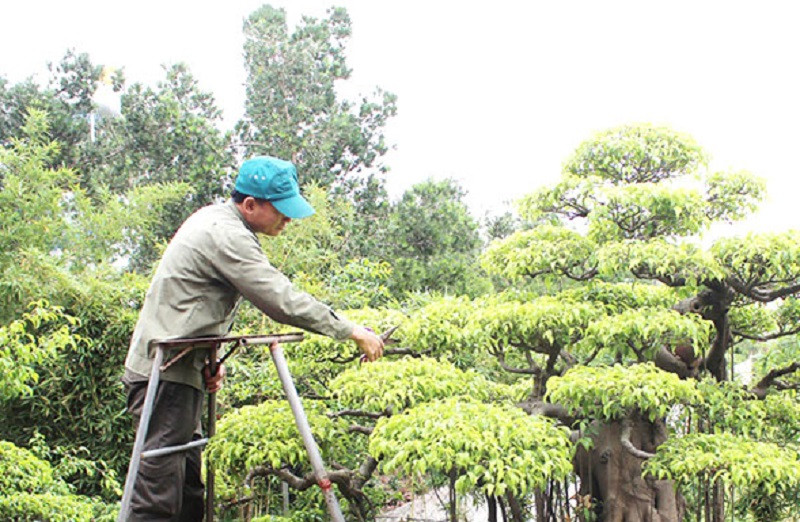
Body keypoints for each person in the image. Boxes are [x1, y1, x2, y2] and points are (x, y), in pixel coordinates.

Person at [122, 155, 384, 521]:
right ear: (250, 205)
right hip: (162, 375)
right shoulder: (226, 234)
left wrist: (202, 363)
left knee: (188, 494)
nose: (288, 219)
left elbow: (190, 309)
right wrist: (349, 329)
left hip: (179, 370)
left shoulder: (216, 220)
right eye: (281, 210)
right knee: (158, 498)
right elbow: (278, 297)